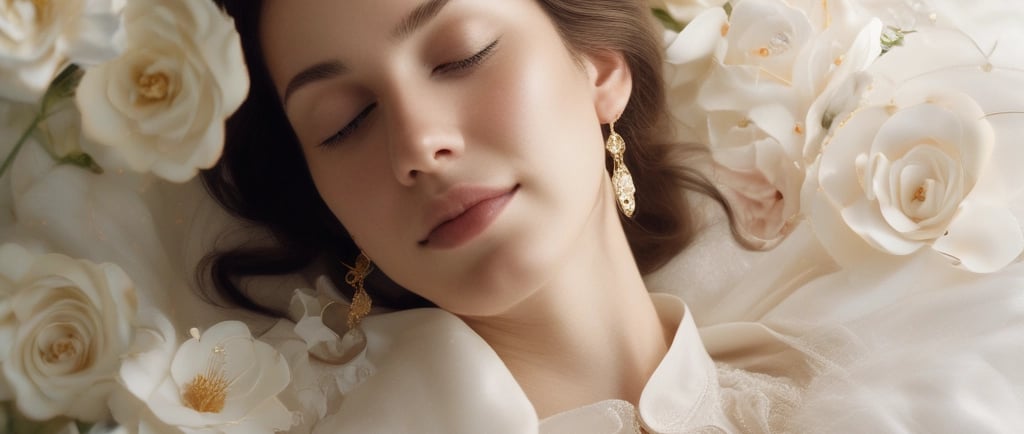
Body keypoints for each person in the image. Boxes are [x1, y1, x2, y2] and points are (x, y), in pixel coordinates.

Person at [201, 0, 1024, 432]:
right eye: (344, 121)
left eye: (460, 55)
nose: (418, 143)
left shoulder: (875, 388)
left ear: (600, 68)